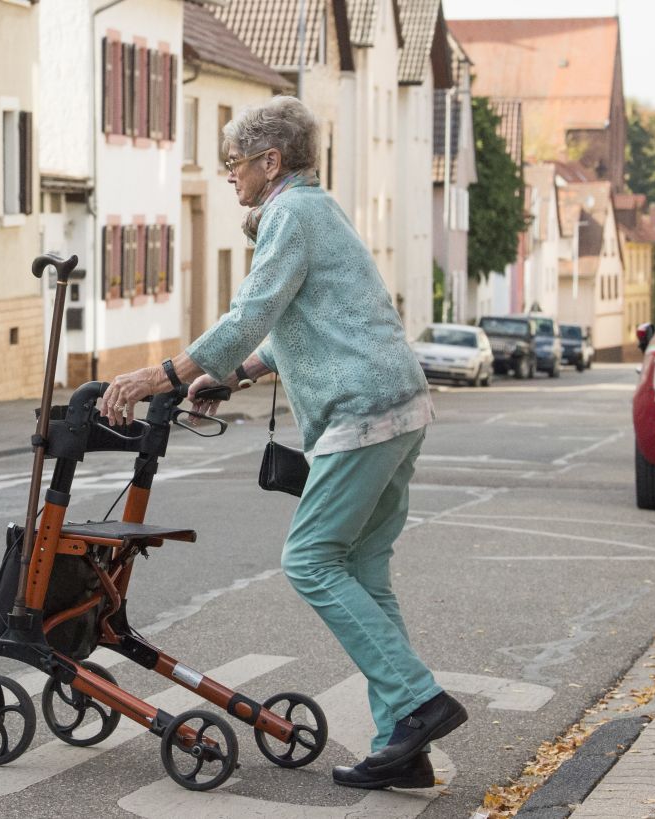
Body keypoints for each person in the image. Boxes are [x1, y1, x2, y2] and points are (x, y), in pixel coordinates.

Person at [99, 95, 466, 789]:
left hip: (361, 412)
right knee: (364, 570)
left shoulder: (290, 214)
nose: (229, 173)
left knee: (309, 559)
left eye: (235, 161)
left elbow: (251, 313)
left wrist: (160, 375)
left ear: (270, 161)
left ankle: (420, 702)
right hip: (398, 405)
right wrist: (231, 375)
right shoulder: (317, 210)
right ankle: (402, 744)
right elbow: (310, 321)